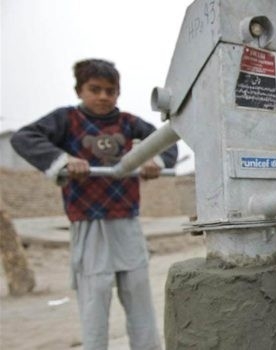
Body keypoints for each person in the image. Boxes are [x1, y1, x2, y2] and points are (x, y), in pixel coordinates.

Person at [11, 58, 177, 350]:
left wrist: (155, 161)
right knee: (95, 299)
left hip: (126, 221)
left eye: (110, 91)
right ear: (79, 90)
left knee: (139, 297)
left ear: (118, 93)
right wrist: (63, 160)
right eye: (95, 89)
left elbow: (166, 140)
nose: (103, 96)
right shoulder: (66, 120)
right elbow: (24, 138)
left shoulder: (127, 122)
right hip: (89, 223)